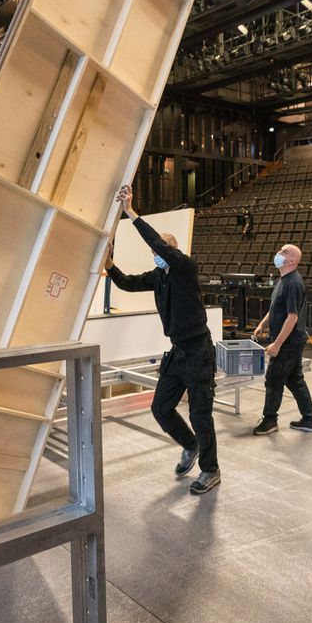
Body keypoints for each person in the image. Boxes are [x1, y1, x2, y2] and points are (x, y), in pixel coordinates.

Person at [106, 185, 221, 495]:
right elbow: (129, 284)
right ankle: (190, 444)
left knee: (200, 413)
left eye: (161, 249)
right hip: (178, 352)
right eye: (154, 252)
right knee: (160, 408)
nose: (156, 253)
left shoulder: (185, 268)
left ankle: (210, 470)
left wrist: (131, 212)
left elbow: (157, 240)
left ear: (174, 249)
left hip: (199, 351)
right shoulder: (159, 276)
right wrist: (109, 267)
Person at [252, 243, 312, 435]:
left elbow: (292, 317)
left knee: (273, 379)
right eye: (280, 250)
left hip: (289, 342)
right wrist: (262, 324)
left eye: (284, 252)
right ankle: (309, 419)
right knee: (295, 379)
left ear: (292, 260)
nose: (279, 253)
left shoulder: (293, 283)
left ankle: (270, 420)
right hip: (291, 340)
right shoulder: (284, 280)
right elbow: (276, 308)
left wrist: (276, 345)